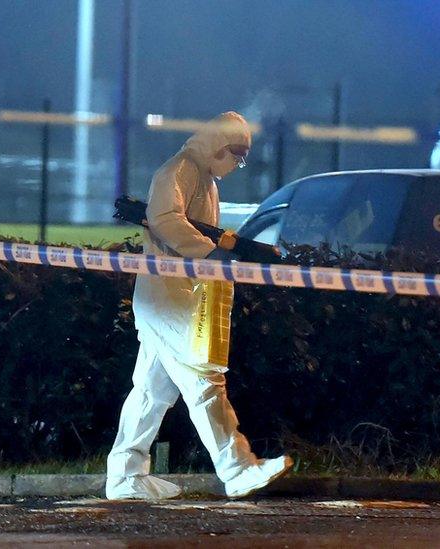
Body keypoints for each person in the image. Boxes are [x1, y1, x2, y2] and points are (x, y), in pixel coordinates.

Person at [106, 112, 293, 500]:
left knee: (150, 393)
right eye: (236, 156)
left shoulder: (201, 176)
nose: (236, 165)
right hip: (168, 300)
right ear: (218, 146)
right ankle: (237, 469)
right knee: (203, 380)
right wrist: (211, 254)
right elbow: (164, 219)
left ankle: (125, 474)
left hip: (170, 297)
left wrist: (214, 253)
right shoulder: (179, 170)